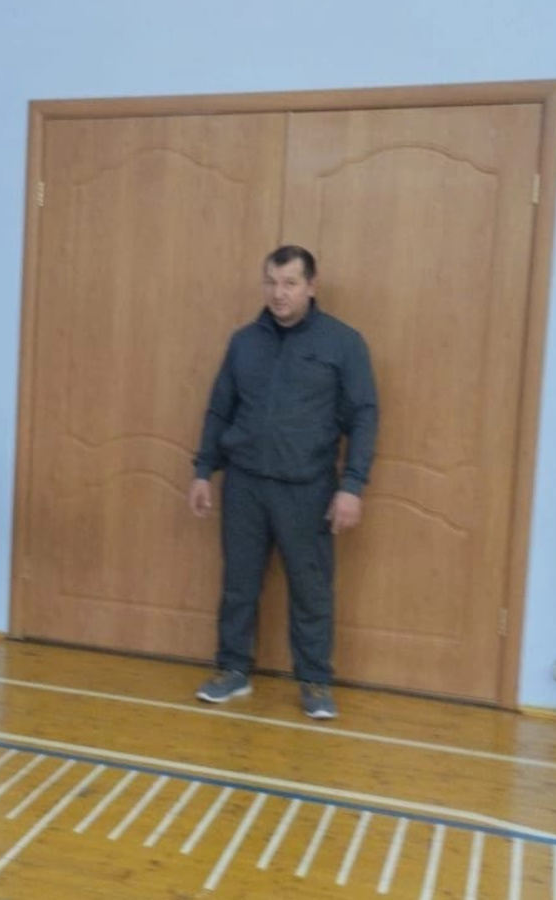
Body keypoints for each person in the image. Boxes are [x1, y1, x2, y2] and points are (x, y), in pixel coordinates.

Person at [189, 245, 378, 719]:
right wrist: (203, 470)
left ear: (312, 286)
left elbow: (364, 416)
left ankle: (314, 681)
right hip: (244, 484)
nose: (279, 293)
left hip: (308, 489)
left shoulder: (343, 343)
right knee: (238, 585)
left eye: (290, 283)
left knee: (311, 589)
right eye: (271, 282)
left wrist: (352, 485)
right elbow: (219, 409)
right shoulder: (243, 343)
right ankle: (232, 671)